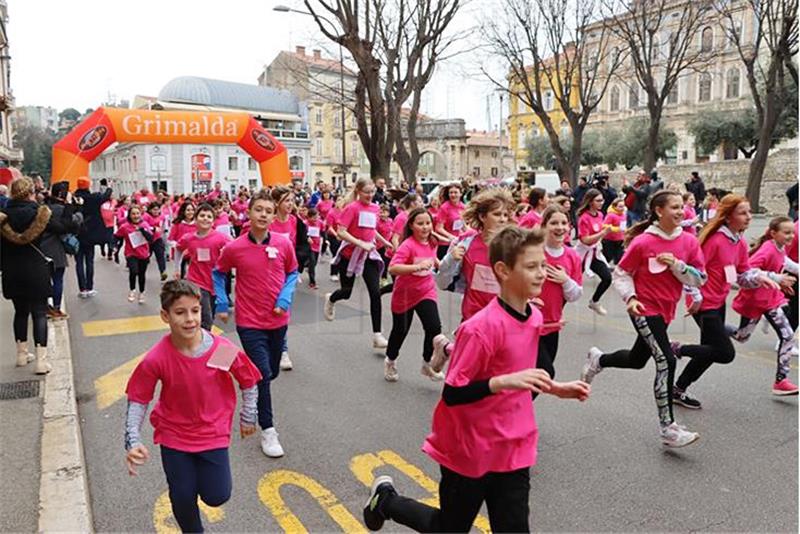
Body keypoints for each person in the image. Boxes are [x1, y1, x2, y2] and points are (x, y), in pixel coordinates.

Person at [362, 226, 590, 533]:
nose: (541, 274)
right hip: (469, 447)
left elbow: (526, 368)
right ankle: (386, 501)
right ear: (503, 270)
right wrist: (503, 382)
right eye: (532, 267)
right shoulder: (481, 329)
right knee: (449, 528)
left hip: (513, 445)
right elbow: (453, 393)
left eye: (543, 266)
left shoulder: (533, 316)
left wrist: (557, 389)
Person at [124, 280, 261, 534]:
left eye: (195, 311)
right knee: (183, 496)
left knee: (217, 495)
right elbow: (138, 398)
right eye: (180, 312)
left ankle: (198, 478)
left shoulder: (219, 351)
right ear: (165, 316)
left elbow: (248, 380)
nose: (190, 319)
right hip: (174, 435)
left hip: (212, 434)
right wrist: (132, 440)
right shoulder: (158, 357)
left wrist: (248, 415)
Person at [580, 190, 706, 447]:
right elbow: (621, 273)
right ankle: (668, 428)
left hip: (667, 309)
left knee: (638, 360)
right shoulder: (643, 242)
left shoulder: (689, 242)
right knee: (666, 360)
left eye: (682, 206)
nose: (681, 211)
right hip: (644, 309)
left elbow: (700, 278)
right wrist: (631, 298)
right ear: (659, 211)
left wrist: (678, 266)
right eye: (675, 207)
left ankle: (599, 359)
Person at [674, 195, 784, 408]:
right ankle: (677, 349)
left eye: (749, 212)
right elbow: (690, 271)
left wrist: (763, 278)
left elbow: (738, 277)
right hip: (703, 304)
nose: (749, 217)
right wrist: (694, 297)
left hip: (718, 302)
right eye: (743, 213)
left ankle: (677, 390)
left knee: (709, 352)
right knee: (724, 353)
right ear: (727, 216)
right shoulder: (714, 240)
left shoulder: (739, 242)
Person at [214, 189, 299, 458]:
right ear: (248, 213)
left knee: (270, 372)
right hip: (249, 322)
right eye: (258, 209)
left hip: (278, 320)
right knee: (263, 374)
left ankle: (246, 379)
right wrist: (221, 302)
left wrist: (285, 298)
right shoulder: (234, 247)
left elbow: (293, 272)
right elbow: (219, 273)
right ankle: (268, 430)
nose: (263, 214)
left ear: (274, 216)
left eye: (268, 211)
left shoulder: (283, 244)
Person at [730, 216, 798, 395]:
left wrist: (787, 277)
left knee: (788, 336)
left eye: (792, 232)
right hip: (755, 300)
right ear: (773, 233)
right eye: (787, 232)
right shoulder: (767, 249)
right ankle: (715, 329)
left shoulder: (780, 247)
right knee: (741, 336)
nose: (791, 236)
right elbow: (749, 270)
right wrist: (776, 278)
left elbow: (785, 262)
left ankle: (781, 381)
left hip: (771, 300)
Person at [0, 177, 62, 374]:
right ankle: (41, 362)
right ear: (30, 193)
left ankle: (21, 354)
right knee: (39, 313)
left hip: (12, 270)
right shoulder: (40, 213)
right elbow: (63, 228)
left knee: (20, 312)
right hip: (36, 269)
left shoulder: (3, 217)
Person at [324, 178, 389, 349]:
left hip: (368, 256)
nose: (370, 195)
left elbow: (371, 229)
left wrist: (385, 241)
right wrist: (360, 243)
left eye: (372, 191)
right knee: (346, 292)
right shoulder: (351, 208)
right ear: (359, 191)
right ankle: (331, 298)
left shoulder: (375, 208)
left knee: (375, 293)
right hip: (349, 254)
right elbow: (341, 232)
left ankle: (377, 335)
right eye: (366, 192)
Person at [384, 208, 443, 382]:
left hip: (426, 290)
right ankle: (391, 360)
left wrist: (442, 265)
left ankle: (427, 364)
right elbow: (393, 268)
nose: (425, 227)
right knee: (400, 331)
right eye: (420, 224)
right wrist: (416, 267)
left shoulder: (433, 241)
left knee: (433, 327)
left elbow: (432, 259)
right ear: (411, 225)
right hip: (405, 294)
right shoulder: (407, 245)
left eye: (428, 223)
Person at [537, 205, 583, 380]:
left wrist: (565, 280)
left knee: (540, 377)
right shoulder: (533, 252)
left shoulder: (572, 256)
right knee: (545, 373)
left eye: (564, 223)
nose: (560, 227)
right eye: (554, 223)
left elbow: (575, 295)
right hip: (528, 324)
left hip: (552, 325)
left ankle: (512, 406)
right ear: (544, 226)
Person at [177, 203, 231, 331]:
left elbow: (235, 249)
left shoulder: (221, 238)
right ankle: (202, 344)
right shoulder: (189, 238)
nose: (205, 218)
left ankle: (201, 339)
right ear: (195, 219)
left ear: (213, 221)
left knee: (210, 315)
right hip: (196, 281)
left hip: (214, 282)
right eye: (202, 215)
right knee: (206, 317)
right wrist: (177, 269)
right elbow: (178, 249)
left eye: (209, 216)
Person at [41, 181, 82, 320]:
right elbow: (73, 225)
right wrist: (75, 207)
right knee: (58, 279)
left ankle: (45, 305)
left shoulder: (44, 207)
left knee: (45, 279)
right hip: (56, 248)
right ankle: (56, 307)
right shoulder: (62, 210)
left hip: (42, 248)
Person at [575, 189, 613, 315]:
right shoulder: (584, 218)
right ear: (590, 202)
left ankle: (594, 301)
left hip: (594, 254)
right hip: (582, 255)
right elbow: (585, 240)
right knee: (571, 284)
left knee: (607, 278)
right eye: (598, 200)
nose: (601, 203)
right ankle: (557, 309)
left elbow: (597, 236)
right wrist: (602, 233)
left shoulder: (600, 215)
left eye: (602, 200)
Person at [74, 176, 113, 298]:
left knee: (79, 262)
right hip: (91, 234)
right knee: (89, 261)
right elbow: (105, 197)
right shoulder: (93, 198)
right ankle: (89, 287)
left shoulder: (73, 198)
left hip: (77, 233)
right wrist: (109, 187)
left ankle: (82, 289)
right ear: (88, 185)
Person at [116, 205, 153, 304]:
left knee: (142, 274)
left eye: (137, 213)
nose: (136, 216)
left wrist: (142, 231)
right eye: (133, 214)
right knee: (133, 271)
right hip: (131, 253)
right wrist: (114, 246)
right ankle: (132, 290)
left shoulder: (144, 225)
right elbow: (117, 236)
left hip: (143, 254)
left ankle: (142, 292)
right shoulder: (125, 227)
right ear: (129, 215)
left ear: (141, 215)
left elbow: (150, 238)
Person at [433, 183, 466, 259]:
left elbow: (462, 224)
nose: (453, 195)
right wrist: (450, 237)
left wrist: (468, 234)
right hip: (445, 243)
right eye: (451, 193)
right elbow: (438, 228)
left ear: (460, 194)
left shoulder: (463, 206)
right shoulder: (444, 208)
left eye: (455, 192)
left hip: (457, 242)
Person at [168, 201, 197, 280]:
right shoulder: (178, 224)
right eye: (188, 210)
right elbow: (170, 239)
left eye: (192, 210)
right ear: (183, 211)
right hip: (180, 252)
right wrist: (178, 245)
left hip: (194, 252)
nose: (190, 212)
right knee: (180, 274)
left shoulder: (197, 224)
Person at [143, 202, 168, 282]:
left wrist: (165, 231)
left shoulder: (162, 216)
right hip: (148, 240)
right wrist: (153, 228)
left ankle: (162, 272)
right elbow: (143, 226)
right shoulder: (146, 216)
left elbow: (164, 224)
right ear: (150, 210)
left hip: (157, 239)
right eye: (154, 210)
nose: (156, 211)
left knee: (160, 256)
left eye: (157, 209)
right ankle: (141, 271)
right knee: (145, 257)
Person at [602, 198, 626, 265]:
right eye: (620, 206)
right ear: (615, 206)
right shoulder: (611, 215)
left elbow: (623, 226)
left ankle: (616, 270)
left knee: (619, 257)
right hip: (609, 240)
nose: (622, 208)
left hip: (620, 239)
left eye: (623, 206)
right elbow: (604, 225)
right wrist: (615, 229)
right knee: (608, 256)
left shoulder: (623, 215)